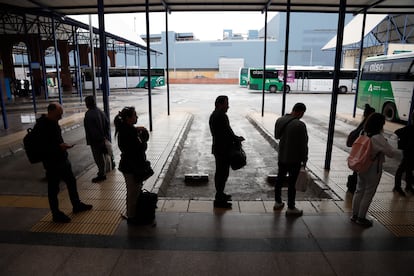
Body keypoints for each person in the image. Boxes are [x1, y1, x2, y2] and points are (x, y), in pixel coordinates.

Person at [36, 103, 92, 223]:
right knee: (53, 189)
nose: (60, 118)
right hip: (51, 163)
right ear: (50, 112)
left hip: (61, 159)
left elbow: (55, 141)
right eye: (58, 115)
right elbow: (42, 148)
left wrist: (61, 146)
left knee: (71, 181)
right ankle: (56, 214)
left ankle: (76, 205)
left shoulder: (53, 122)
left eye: (61, 115)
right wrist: (58, 147)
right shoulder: (41, 126)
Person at [351, 113, 396, 227]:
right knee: (369, 192)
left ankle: (355, 215)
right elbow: (391, 153)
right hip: (373, 167)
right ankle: (361, 218)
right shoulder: (378, 137)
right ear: (380, 124)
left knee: (359, 190)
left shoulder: (364, 133)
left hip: (361, 164)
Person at [114, 106, 150, 225]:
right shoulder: (128, 132)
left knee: (135, 191)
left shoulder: (127, 129)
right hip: (131, 167)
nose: (137, 117)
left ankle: (133, 214)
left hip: (131, 166)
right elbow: (139, 148)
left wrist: (137, 131)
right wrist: (142, 141)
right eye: (135, 115)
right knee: (133, 192)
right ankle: (131, 217)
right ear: (128, 118)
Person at [209, 95, 245, 209]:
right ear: (219, 104)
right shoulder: (221, 116)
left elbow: (226, 132)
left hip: (218, 148)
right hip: (222, 150)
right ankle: (219, 199)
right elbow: (228, 132)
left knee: (220, 173)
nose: (228, 106)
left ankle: (220, 194)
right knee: (222, 174)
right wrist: (236, 139)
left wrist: (235, 138)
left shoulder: (214, 115)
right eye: (226, 104)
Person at [274, 102, 308, 216]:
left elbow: (277, 136)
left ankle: (278, 202)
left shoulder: (280, 120)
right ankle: (291, 208)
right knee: (292, 184)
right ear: (300, 111)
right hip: (294, 159)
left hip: (282, 156)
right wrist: (305, 159)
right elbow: (304, 145)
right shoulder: (300, 125)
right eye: (302, 113)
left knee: (279, 179)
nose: (302, 116)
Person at [84, 95, 114, 183]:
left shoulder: (89, 114)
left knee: (99, 159)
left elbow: (92, 130)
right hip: (103, 139)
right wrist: (106, 137)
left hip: (96, 141)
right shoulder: (100, 111)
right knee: (105, 156)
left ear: (88, 103)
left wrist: (97, 140)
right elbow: (107, 124)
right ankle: (107, 170)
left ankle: (102, 175)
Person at [346, 104, 375, 193]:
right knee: (360, 173)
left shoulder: (363, 124)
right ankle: (354, 187)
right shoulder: (368, 128)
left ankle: (352, 187)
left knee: (357, 171)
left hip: (358, 152)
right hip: (363, 153)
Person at [393, 114, 414, 196]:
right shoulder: (409, 128)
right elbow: (397, 132)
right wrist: (404, 143)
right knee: (402, 169)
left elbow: (397, 132)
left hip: (409, 152)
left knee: (409, 169)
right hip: (408, 152)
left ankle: (408, 186)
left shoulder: (409, 128)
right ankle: (397, 187)